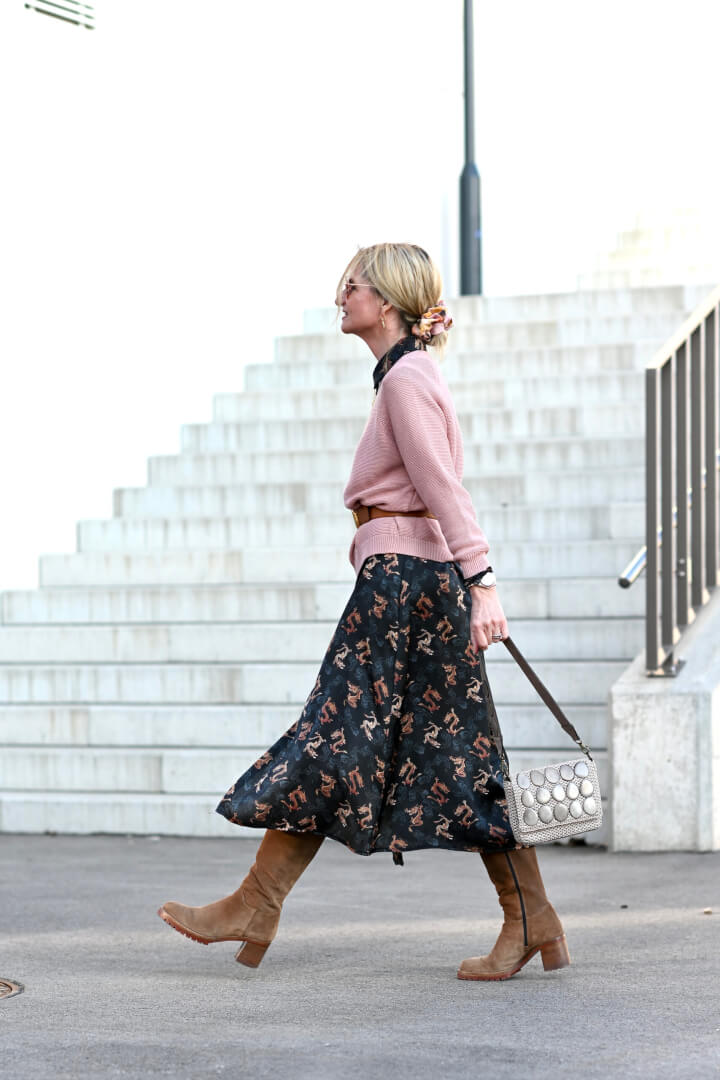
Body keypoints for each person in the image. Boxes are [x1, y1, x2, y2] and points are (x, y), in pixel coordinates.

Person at [158, 242, 569, 981]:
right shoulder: (407, 376)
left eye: (353, 285)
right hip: (413, 580)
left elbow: (443, 489)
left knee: (339, 736)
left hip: (405, 585)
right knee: (451, 754)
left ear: (387, 302)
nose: (341, 295)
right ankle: (532, 918)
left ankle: (257, 904)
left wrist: (483, 580)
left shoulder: (406, 380)